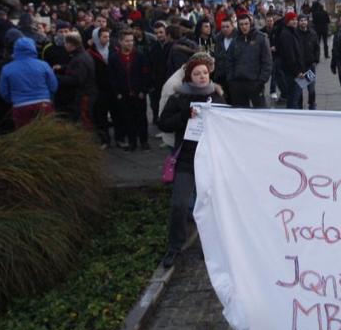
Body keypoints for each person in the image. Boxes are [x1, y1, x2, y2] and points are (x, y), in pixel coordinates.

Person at [158, 57, 226, 269]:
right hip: (186, 160)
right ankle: (175, 246)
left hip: (210, 160)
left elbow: (228, 125)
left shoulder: (217, 96)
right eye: (197, 74)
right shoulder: (179, 97)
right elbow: (163, 124)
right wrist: (184, 116)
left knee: (211, 205)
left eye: (204, 72)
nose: (202, 76)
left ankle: (211, 245)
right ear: (189, 77)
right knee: (179, 204)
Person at [0, 36, 58, 129]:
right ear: (33, 48)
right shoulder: (43, 65)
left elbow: (3, 91)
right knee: (48, 132)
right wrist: (48, 97)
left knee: (24, 134)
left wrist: (14, 100)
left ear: (15, 50)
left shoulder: (7, 68)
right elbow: (53, 85)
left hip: (20, 106)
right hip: (43, 103)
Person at [108, 30, 150, 151]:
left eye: (131, 40)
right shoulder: (114, 58)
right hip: (124, 94)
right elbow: (112, 77)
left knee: (141, 118)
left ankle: (144, 141)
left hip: (138, 93)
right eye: (127, 41)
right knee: (128, 118)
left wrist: (143, 91)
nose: (130, 43)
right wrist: (117, 93)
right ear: (120, 42)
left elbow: (145, 74)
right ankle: (132, 142)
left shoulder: (140, 56)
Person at [226, 14, 272, 108]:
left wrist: (261, 81)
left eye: (246, 24)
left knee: (261, 111)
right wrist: (231, 80)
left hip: (255, 82)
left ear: (250, 24)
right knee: (240, 112)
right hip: (238, 83)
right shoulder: (235, 40)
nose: (244, 27)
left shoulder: (261, 38)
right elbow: (229, 61)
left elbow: (267, 62)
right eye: (241, 24)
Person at [54, 32, 96, 128]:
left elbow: (76, 80)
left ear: (71, 44)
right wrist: (63, 68)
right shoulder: (80, 55)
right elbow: (77, 70)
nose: (64, 45)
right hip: (85, 93)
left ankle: (88, 137)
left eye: (65, 43)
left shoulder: (79, 59)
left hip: (84, 95)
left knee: (84, 121)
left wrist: (56, 77)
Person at [277, 11, 305, 109]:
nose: (295, 21)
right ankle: (293, 115)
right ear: (287, 21)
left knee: (297, 97)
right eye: (292, 20)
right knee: (293, 99)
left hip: (297, 72)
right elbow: (289, 56)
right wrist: (297, 71)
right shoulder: (286, 34)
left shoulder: (293, 32)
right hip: (293, 73)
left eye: (295, 19)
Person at [298, 15, 320, 110]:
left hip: (310, 65)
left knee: (311, 89)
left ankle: (312, 104)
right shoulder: (296, 34)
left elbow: (317, 47)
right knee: (299, 89)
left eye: (304, 20)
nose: (303, 22)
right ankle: (299, 106)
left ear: (307, 22)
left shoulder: (312, 33)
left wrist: (316, 60)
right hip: (299, 67)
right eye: (301, 20)